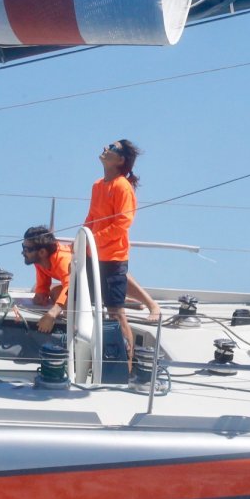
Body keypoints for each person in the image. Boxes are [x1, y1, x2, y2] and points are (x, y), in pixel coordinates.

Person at [84, 139, 161, 355]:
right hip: (93, 254)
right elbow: (91, 216)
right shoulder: (98, 185)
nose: (105, 149)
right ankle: (102, 357)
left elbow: (122, 223)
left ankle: (127, 364)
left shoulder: (122, 186)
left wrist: (95, 238)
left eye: (112, 148)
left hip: (113, 256)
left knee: (116, 313)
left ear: (120, 160)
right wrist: (83, 238)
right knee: (93, 308)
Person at [22, 226, 71, 333]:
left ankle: (73, 329)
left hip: (94, 285)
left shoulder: (63, 260)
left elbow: (71, 287)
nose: (23, 252)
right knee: (38, 289)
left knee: (56, 293)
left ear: (42, 252)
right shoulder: (39, 261)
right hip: (76, 285)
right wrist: (40, 295)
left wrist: (52, 314)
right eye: (23, 247)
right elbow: (42, 286)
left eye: (27, 249)